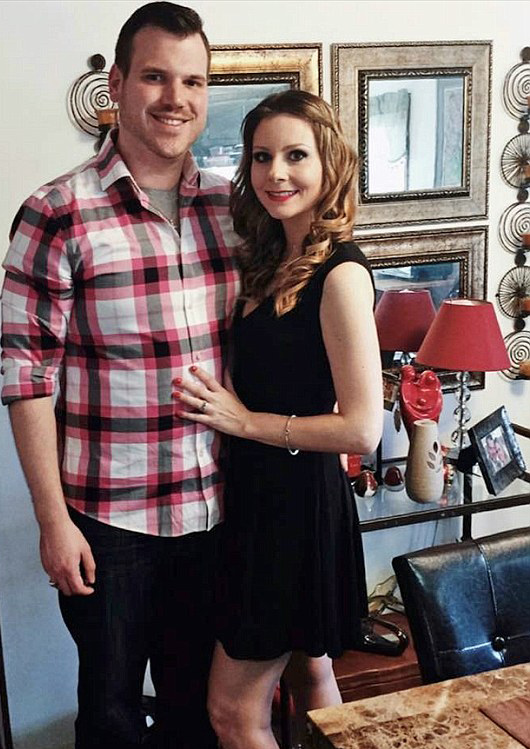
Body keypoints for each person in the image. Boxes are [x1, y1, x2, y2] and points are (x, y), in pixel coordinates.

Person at [0, 3, 238, 748]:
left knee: (197, 711)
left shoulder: (233, 207)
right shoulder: (57, 212)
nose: (176, 98)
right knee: (110, 716)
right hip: (110, 524)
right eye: (156, 77)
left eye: (193, 81)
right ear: (117, 85)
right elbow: (27, 377)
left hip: (215, 512)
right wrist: (52, 521)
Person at [172, 90, 383, 749]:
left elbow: (362, 429)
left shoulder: (340, 274)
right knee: (312, 674)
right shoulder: (271, 259)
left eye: (296, 155)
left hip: (292, 507)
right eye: (262, 157)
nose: (276, 173)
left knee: (231, 711)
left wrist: (245, 421)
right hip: (262, 497)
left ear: (329, 164)